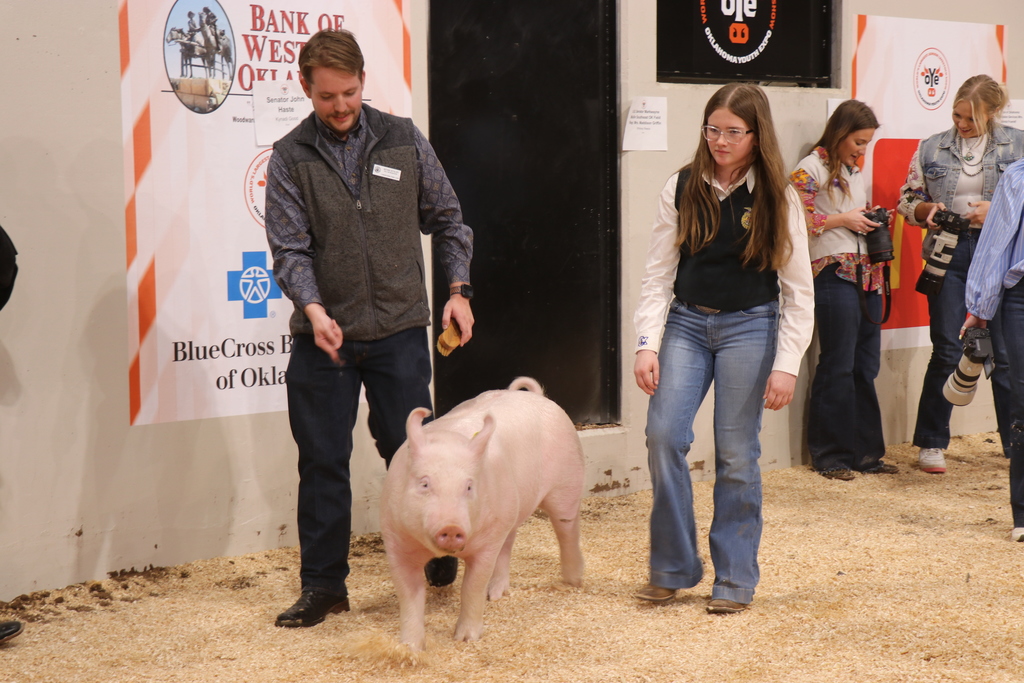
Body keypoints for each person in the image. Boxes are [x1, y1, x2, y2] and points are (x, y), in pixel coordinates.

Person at [264, 29, 475, 628]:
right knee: (323, 461)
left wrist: (458, 291)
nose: (340, 106)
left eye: (349, 93)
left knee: (414, 455)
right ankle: (324, 586)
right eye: (327, 96)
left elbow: (450, 221)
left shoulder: (402, 138)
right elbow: (289, 250)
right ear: (306, 87)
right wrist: (312, 308)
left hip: (401, 330)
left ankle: (437, 548)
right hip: (323, 340)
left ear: (363, 84)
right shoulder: (289, 157)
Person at [632, 83, 814, 613]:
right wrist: (648, 344)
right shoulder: (681, 186)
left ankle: (734, 578)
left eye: (733, 132)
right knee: (663, 435)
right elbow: (656, 276)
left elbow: (799, 291)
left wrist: (786, 365)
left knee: (737, 453)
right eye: (713, 129)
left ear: (757, 137)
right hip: (686, 325)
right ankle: (673, 566)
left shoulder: (779, 195)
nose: (720, 140)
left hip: (751, 327)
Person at [897, 75, 1024, 474]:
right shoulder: (932, 146)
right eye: (956, 115)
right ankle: (932, 442)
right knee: (949, 349)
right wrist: (924, 212)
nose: (962, 124)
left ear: (992, 114)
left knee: (1005, 355)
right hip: (948, 251)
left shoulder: (1017, 144)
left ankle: (1013, 444)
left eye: (971, 118)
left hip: (999, 254)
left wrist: (1000, 212)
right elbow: (907, 198)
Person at [790, 100, 898, 480]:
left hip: (865, 273)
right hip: (832, 272)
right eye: (858, 141)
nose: (861, 150)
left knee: (864, 366)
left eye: (867, 143)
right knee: (837, 363)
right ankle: (830, 455)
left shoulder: (852, 171)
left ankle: (866, 454)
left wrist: (867, 218)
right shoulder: (810, 166)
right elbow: (794, 216)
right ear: (840, 133)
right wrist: (844, 218)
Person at [964, 157, 1024, 542]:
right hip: (1021, 295)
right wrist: (980, 307)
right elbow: (997, 241)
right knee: (1023, 399)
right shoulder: (1018, 174)